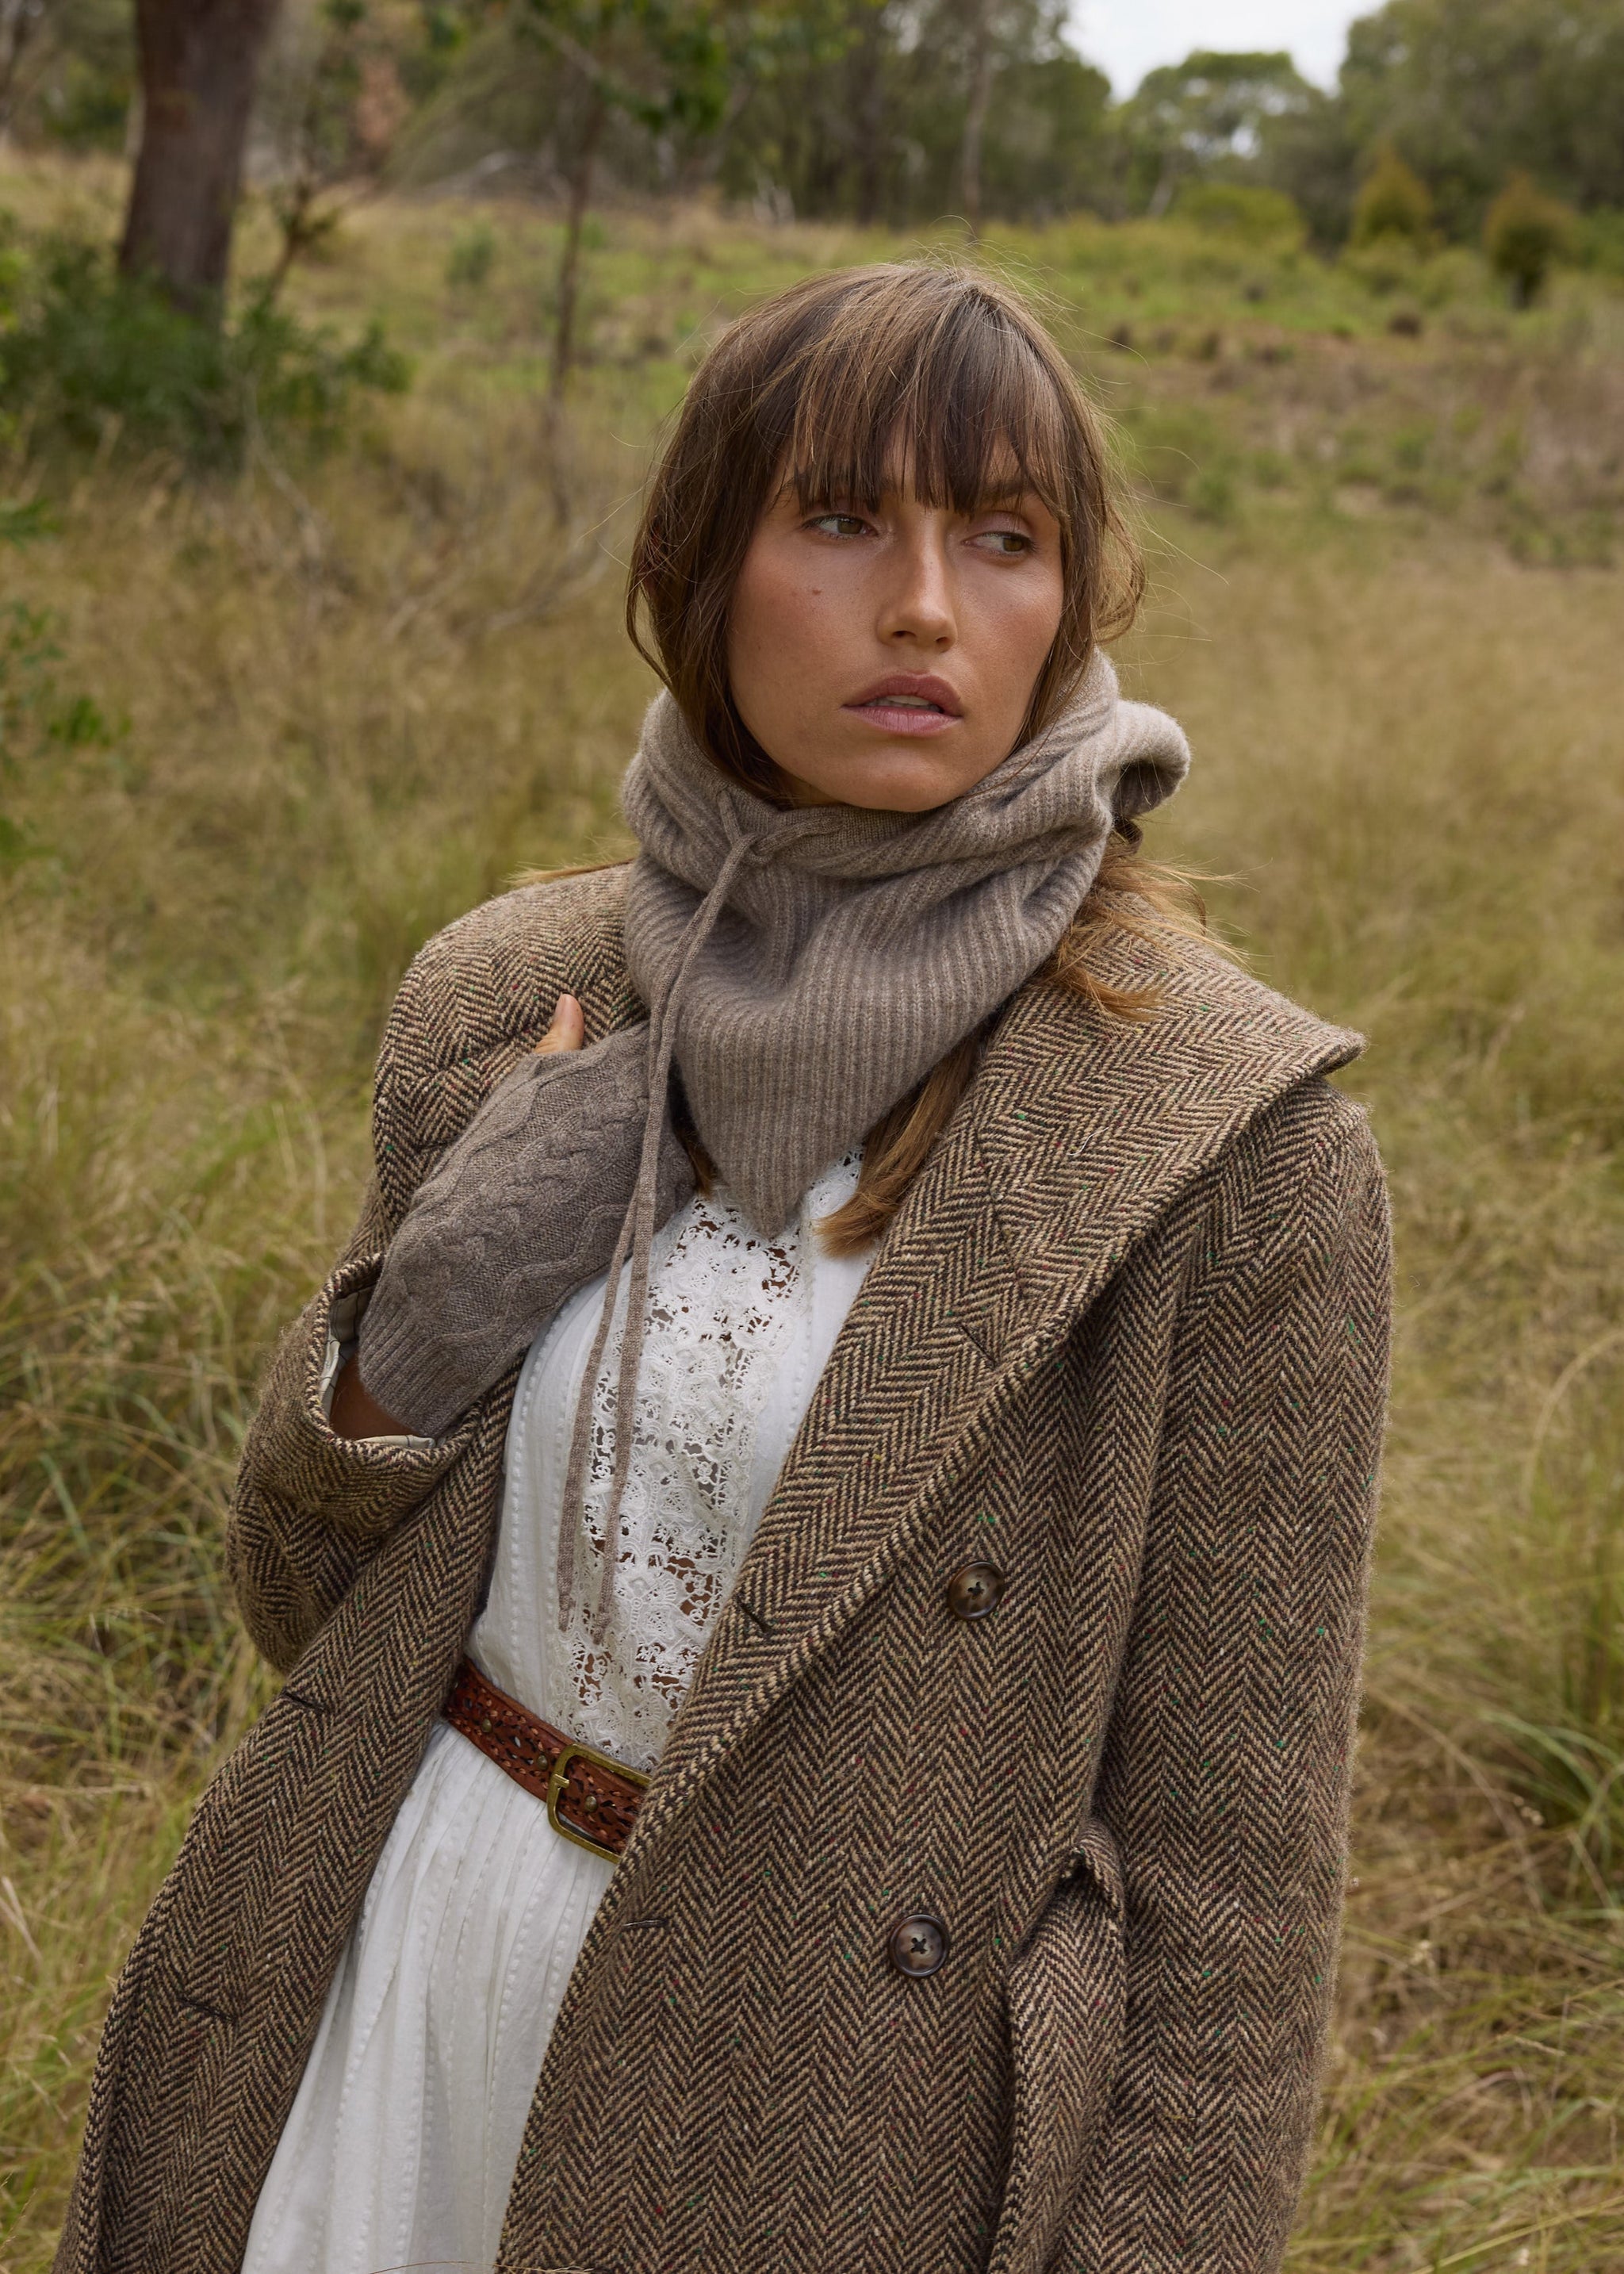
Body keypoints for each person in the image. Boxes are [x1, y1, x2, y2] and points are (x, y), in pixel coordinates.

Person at [56, 263, 1391, 2274]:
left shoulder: (1235, 1144)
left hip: (831, 2122)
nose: (927, 605)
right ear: (702, 565)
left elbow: (1232, 1907)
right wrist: (426, 1322)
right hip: (399, 1966)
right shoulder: (516, 997)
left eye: (1003, 537)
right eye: (842, 518)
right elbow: (300, 1618)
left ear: (1073, 603)